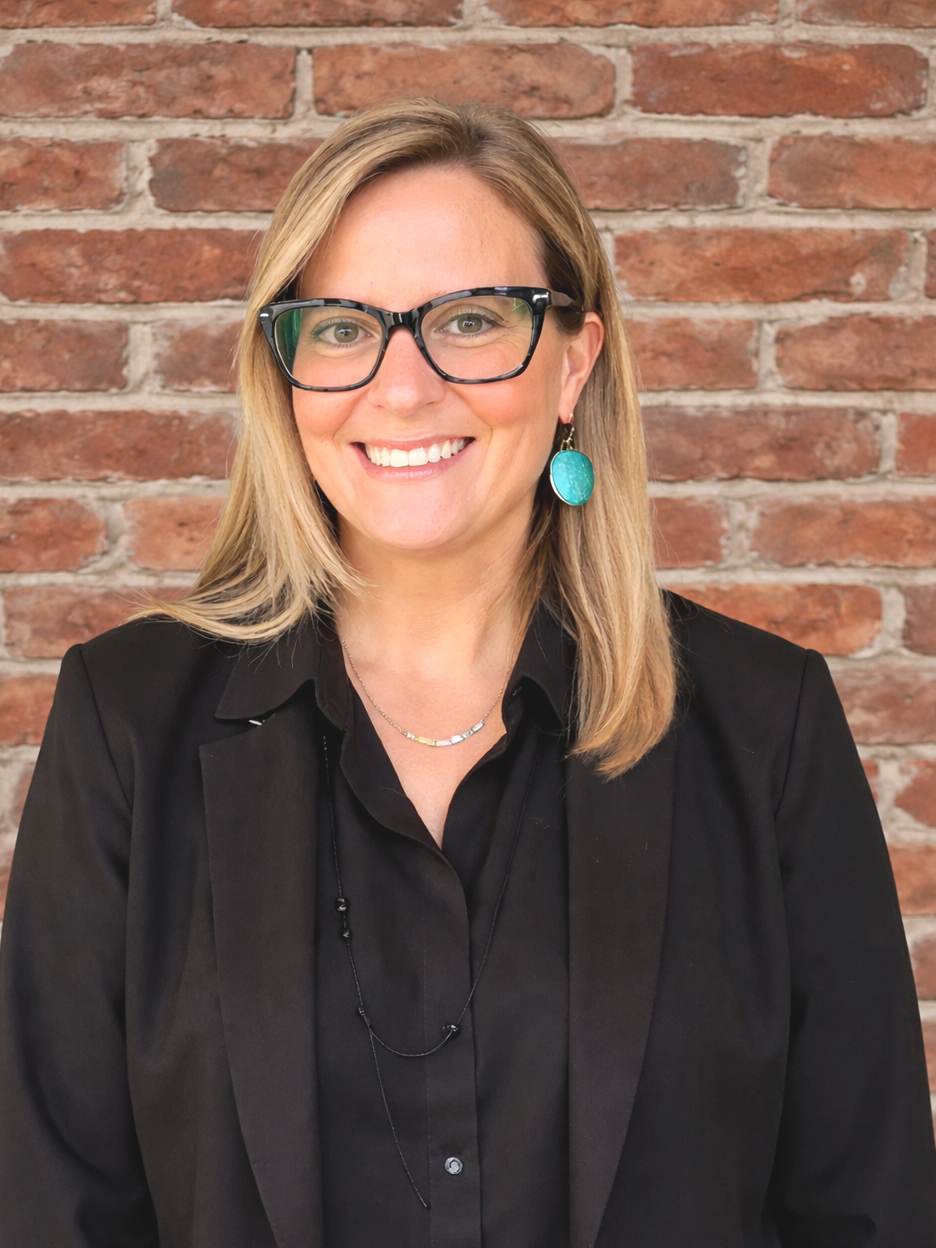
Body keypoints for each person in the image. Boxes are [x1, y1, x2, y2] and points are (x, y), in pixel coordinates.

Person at [0, 96, 934, 1248]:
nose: (401, 386)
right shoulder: (128, 724)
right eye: (341, 327)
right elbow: (51, 1205)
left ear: (573, 362)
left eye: (473, 319)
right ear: (285, 375)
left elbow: (867, 1206)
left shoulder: (765, 728)